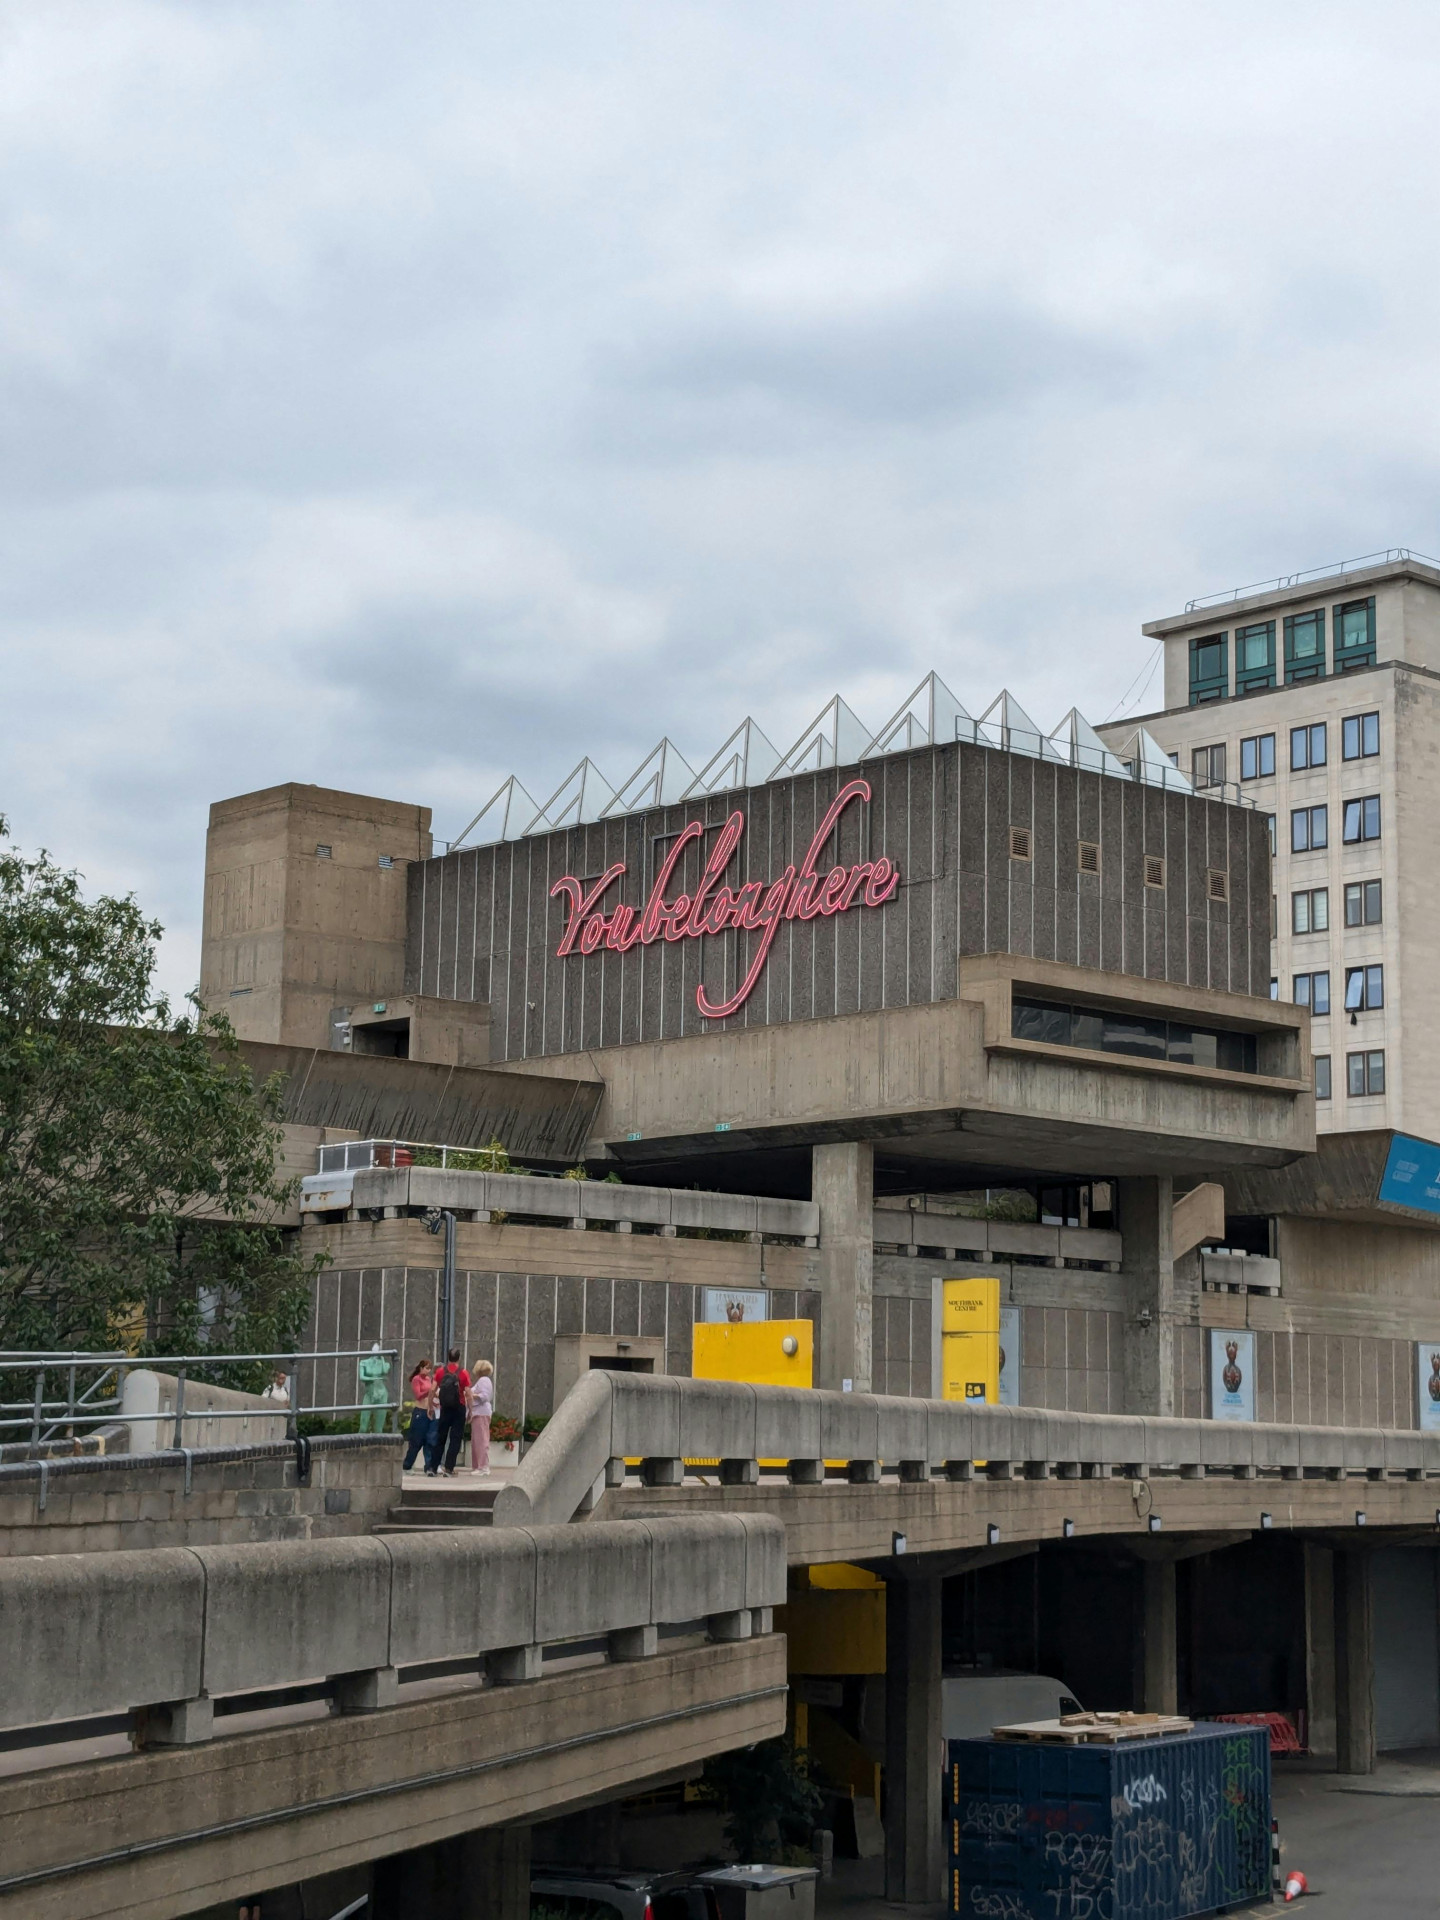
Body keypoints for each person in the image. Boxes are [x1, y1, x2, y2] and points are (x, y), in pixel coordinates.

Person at [433, 1346, 470, 1477]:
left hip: (444, 1408)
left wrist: (430, 1405)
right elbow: (468, 1393)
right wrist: (470, 1410)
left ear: (448, 1357)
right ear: (459, 1358)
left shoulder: (440, 1372)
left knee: (440, 1437)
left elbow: (432, 1389)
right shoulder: (463, 1373)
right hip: (459, 1407)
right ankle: (449, 1468)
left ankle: (433, 1467)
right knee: (455, 1439)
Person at [402, 1357, 438, 1473]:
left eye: (430, 1369)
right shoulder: (416, 1379)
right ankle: (407, 1466)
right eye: (426, 1368)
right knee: (416, 1441)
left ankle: (429, 1467)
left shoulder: (429, 1379)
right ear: (421, 1368)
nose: (428, 1371)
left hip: (429, 1411)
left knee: (429, 1440)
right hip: (420, 1411)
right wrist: (430, 1391)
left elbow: (432, 1395)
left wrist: (434, 1401)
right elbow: (418, 1395)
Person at [358, 1341, 391, 1433]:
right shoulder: (364, 1362)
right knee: (363, 1425)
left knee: (378, 1428)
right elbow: (362, 1377)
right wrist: (374, 1378)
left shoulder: (384, 1364)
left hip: (381, 1393)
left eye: (378, 1350)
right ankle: (359, 1440)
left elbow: (385, 1371)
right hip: (369, 1393)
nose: (376, 1352)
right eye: (374, 1349)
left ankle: (378, 1441)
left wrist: (382, 1358)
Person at [469, 1359, 495, 1475]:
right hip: (478, 1413)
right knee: (476, 1440)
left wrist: (471, 1395)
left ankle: (483, 1467)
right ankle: (478, 1466)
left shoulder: (483, 1380)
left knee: (481, 1440)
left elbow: (484, 1396)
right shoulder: (483, 1380)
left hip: (481, 1413)